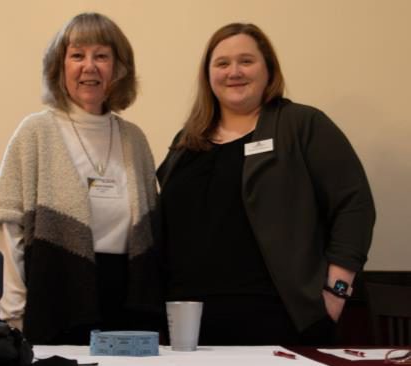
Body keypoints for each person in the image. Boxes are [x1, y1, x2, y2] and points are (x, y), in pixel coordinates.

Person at [157, 22, 376, 346]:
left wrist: (337, 291)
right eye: (222, 63)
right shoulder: (187, 141)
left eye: (246, 61)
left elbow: (354, 205)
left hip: (280, 320)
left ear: (269, 70)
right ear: (208, 75)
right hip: (190, 326)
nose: (234, 71)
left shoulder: (302, 125)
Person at [0, 12, 158, 344]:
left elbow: (150, 235)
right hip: (55, 304)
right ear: (59, 67)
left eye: (101, 56)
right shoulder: (35, 133)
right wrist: (15, 315)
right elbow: (8, 230)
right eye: (77, 55)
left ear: (119, 68)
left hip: (129, 312)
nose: (89, 66)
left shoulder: (134, 140)